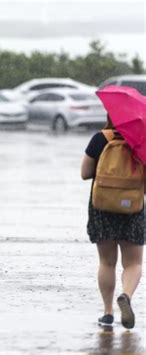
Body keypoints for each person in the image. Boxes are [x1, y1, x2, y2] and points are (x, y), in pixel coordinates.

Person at [81, 116, 144, 329]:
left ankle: (108, 313)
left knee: (107, 262)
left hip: (102, 208)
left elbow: (85, 173)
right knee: (133, 263)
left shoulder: (100, 139)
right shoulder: (141, 142)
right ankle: (125, 296)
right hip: (132, 209)